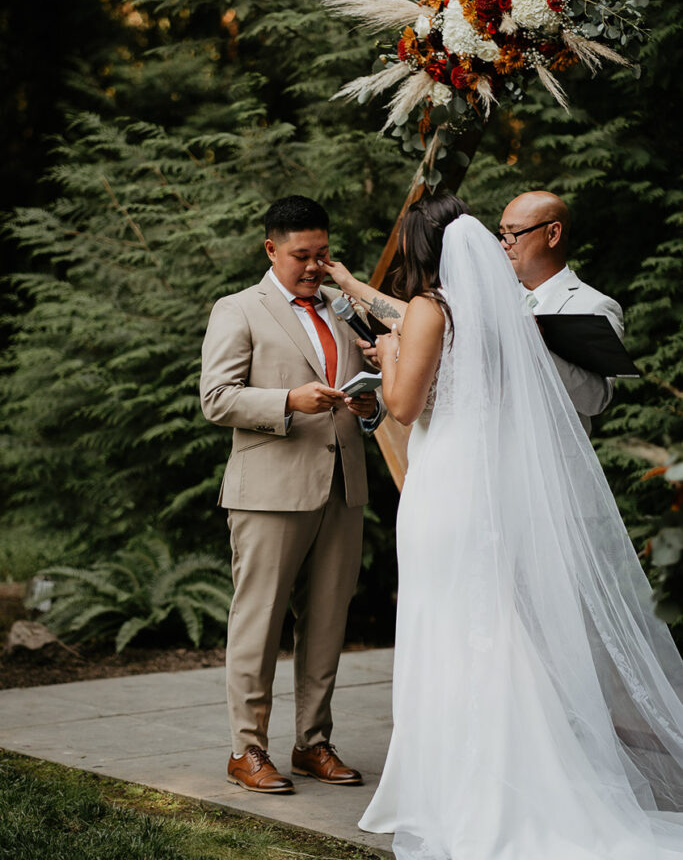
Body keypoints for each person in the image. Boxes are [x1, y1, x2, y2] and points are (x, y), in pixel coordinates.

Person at [331, 191, 683, 860]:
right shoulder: (482, 314)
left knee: (454, 627)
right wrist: (375, 312)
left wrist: (392, 355)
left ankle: (466, 786)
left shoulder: (437, 311)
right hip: (479, 484)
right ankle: (508, 776)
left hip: (449, 486)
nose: (504, 246)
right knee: (490, 632)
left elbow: (404, 406)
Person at [200, 195, 383, 794]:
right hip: (269, 491)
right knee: (259, 621)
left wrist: (366, 404)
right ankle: (246, 750)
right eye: (301, 255)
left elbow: (376, 391)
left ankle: (313, 743)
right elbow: (217, 398)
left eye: (322, 254)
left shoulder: (341, 307)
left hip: (342, 485)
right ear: (271, 249)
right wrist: (287, 402)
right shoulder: (237, 308)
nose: (313, 266)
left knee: (328, 622)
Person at [499, 190, 624, 434]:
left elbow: (595, 400)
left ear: (553, 234)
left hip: (556, 465)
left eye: (514, 233)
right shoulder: (495, 302)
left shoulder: (595, 306)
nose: (505, 243)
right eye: (501, 234)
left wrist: (536, 346)